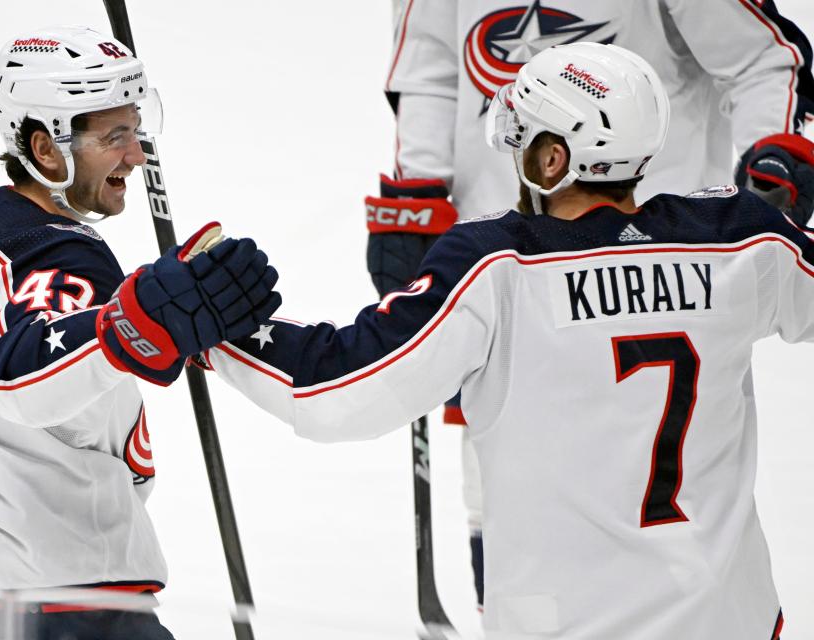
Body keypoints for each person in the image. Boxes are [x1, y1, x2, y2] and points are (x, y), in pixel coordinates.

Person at [205, 43, 813, 638]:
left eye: (524, 134)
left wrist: (215, 325)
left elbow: (333, 390)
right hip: (734, 620)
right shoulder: (741, 241)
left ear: (552, 160)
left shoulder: (497, 266)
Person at [366, 0, 814, 606]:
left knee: (641, 489)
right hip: (500, 252)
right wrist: (415, 190)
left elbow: (764, 58)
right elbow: (431, 66)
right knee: (506, 484)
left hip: (657, 260)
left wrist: (775, 156)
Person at [0, 26, 280, 640]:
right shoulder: (61, 254)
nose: (136, 155)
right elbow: (24, 375)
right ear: (45, 149)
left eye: (136, 130)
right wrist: (138, 323)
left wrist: (160, 324)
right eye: (113, 137)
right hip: (47, 583)